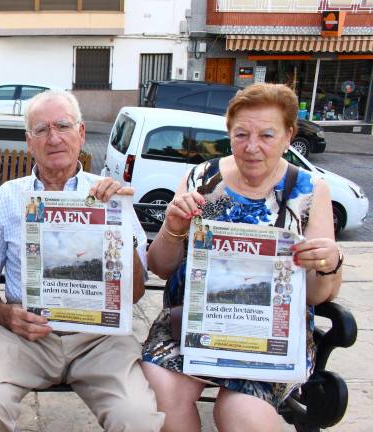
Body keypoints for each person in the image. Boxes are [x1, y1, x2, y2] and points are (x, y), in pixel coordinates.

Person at [0, 90, 165, 432]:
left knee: (138, 418)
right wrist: (5, 314)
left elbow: (136, 294)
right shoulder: (7, 198)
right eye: (41, 130)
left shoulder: (111, 196)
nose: (53, 138)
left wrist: (118, 226)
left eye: (63, 126)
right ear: (29, 141)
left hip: (100, 339)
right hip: (25, 337)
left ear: (81, 134)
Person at [141, 83, 343, 432]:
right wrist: (174, 226)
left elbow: (317, 295)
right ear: (228, 133)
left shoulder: (307, 191)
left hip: (270, 337)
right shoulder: (204, 182)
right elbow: (160, 266)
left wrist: (328, 263)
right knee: (161, 395)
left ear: (288, 134)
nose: (252, 147)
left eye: (267, 135)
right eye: (241, 134)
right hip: (192, 326)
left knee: (242, 413)